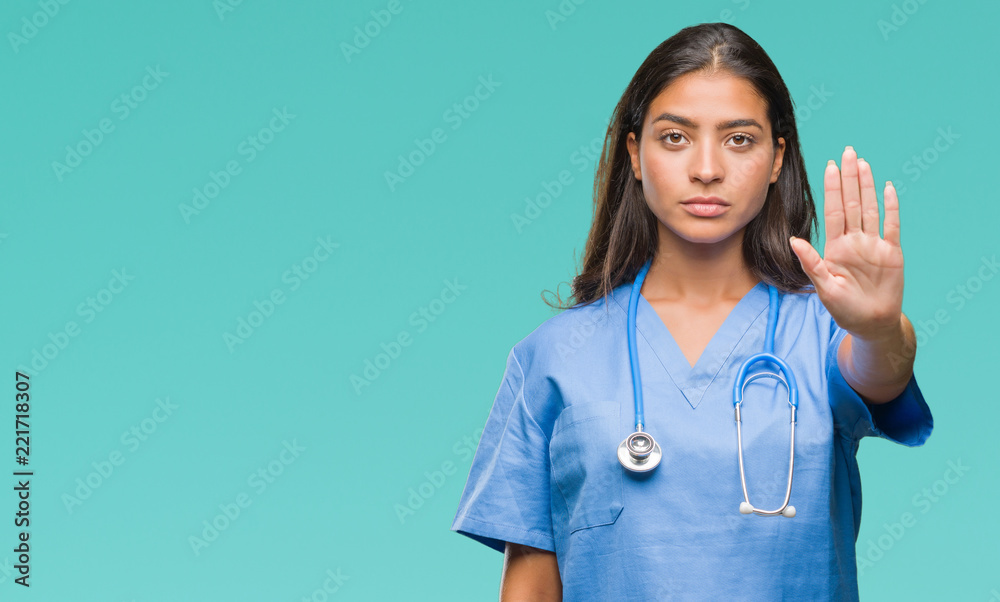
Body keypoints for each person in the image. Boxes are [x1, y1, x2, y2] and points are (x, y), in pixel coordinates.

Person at [450, 22, 933, 601]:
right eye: (676, 137)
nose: (707, 168)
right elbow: (530, 585)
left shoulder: (825, 333)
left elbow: (881, 369)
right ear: (634, 153)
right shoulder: (553, 357)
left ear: (778, 158)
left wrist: (879, 327)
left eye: (739, 139)